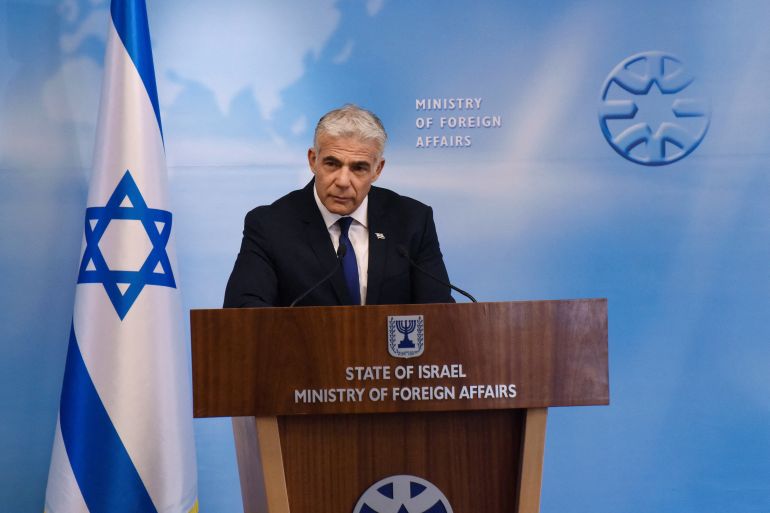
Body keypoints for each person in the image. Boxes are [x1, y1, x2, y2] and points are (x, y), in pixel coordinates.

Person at [223, 104, 453, 307]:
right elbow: (244, 310)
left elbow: (439, 312)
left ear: (377, 170)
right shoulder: (270, 226)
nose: (343, 181)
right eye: (332, 164)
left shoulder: (412, 221)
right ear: (313, 160)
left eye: (359, 168)